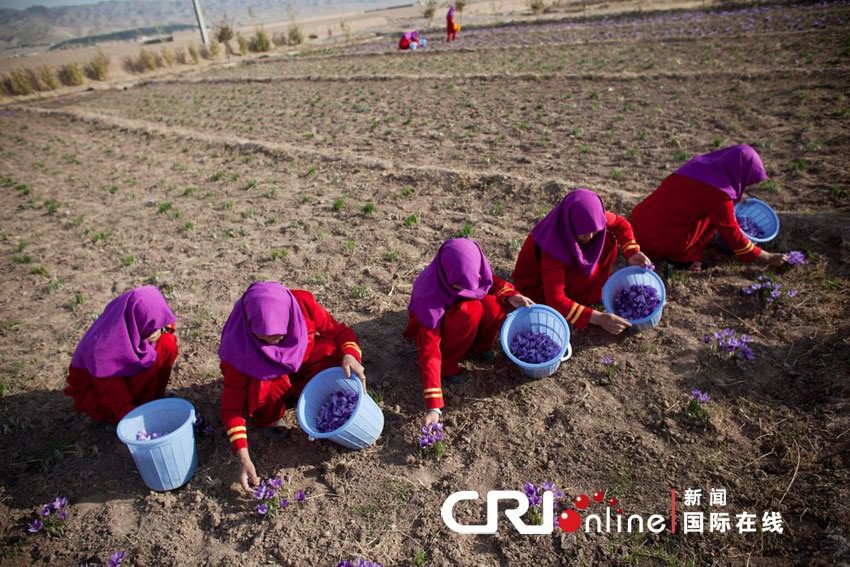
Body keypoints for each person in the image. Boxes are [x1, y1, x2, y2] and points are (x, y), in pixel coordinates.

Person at [219, 281, 365, 492]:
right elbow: (231, 408)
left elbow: (339, 332)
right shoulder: (237, 351)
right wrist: (243, 456)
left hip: (302, 366)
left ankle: (307, 392)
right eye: (264, 336)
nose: (274, 340)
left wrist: (351, 355)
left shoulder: (302, 303)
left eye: (281, 333)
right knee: (260, 387)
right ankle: (271, 416)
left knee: (330, 351)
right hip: (271, 382)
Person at [403, 239, 533, 426]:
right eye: (460, 287)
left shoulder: (473, 269)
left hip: (463, 323)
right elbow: (429, 351)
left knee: (494, 305)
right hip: (446, 329)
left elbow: (492, 283)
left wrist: (512, 296)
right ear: (447, 276)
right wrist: (434, 406)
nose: (468, 290)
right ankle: (448, 366)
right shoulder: (429, 297)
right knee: (469, 310)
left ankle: (480, 347)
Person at [512, 189, 652, 336]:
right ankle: (581, 298)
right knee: (602, 242)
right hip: (538, 287)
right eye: (584, 233)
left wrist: (632, 251)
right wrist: (598, 318)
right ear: (570, 226)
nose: (590, 237)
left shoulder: (592, 220)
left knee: (607, 239)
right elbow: (555, 299)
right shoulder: (553, 246)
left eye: (594, 230)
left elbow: (619, 223)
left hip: (565, 272)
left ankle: (590, 292)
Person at [630, 144, 787, 270]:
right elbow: (731, 234)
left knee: (702, 212)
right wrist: (767, 257)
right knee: (714, 219)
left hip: (636, 226)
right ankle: (681, 259)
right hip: (656, 241)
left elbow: (695, 195)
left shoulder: (699, 165)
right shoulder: (718, 194)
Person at [64, 286, 178, 424]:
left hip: (129, 379)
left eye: (156, 326)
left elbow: (165, 322)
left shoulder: (133, 323)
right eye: (149, 327)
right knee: (149, 368)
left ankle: (153, 398)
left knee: (167, 342)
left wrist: (161, 328)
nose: (154, 332)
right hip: (99, 392)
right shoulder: (104, 351)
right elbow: (113, 396)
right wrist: (136, 422)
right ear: (135, 321)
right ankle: (140, 408)